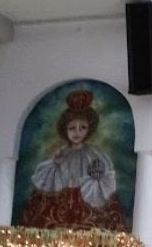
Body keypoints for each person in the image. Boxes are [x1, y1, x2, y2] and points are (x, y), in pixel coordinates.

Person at [20, 89, 127, 231]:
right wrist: (56, 165)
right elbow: (52, 181)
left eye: (82, 128)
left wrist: (96, 179)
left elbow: (103, 177)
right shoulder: (61, 153)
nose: (77, 133)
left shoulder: (94, 154)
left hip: (87, 205)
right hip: (62, 205)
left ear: (89, 130)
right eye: (72, 128)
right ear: (65, 130)